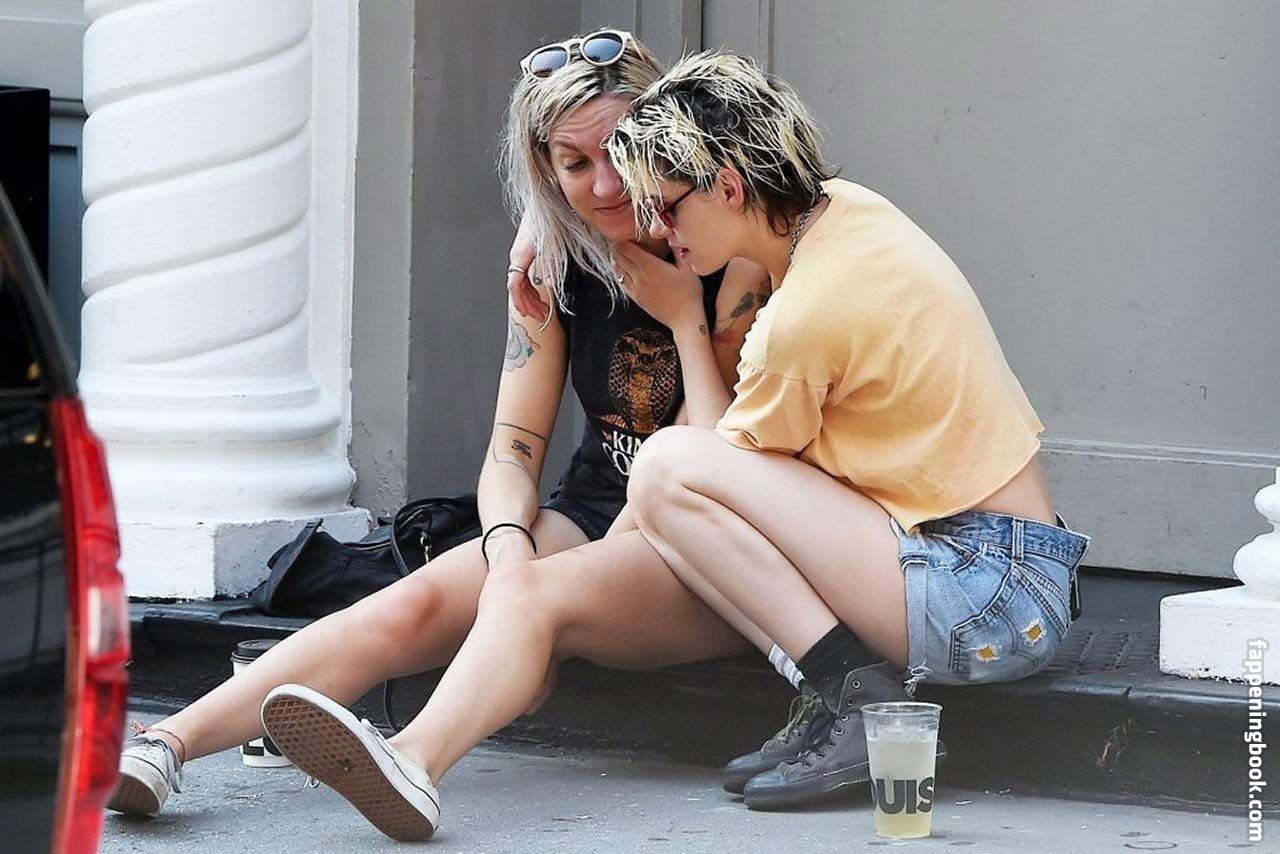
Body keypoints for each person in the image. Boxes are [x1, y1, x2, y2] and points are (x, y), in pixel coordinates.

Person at [108, 31, 793, 831]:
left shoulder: (726, 252)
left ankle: (411, 761)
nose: (604, 184)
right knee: (416, 601)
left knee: (533, 595)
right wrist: (507, 555)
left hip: (708, 548)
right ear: (546, 170)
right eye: (574, 164)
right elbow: (513, 448)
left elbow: (708, 463)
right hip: (595, 514)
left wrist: (681, 320)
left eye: (618, 151)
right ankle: (166, 744)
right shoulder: (558, 262)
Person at [602, 51, 1093, 810]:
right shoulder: (847, 212)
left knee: (666, 468)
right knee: (676, 481)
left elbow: (696, 489)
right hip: (1014, 572)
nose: (656, 229)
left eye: (667, 207)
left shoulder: (803, 318)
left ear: (729, 187)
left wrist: (583, 579)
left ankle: (856, 699)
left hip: (983, 596)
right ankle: (838, 695)